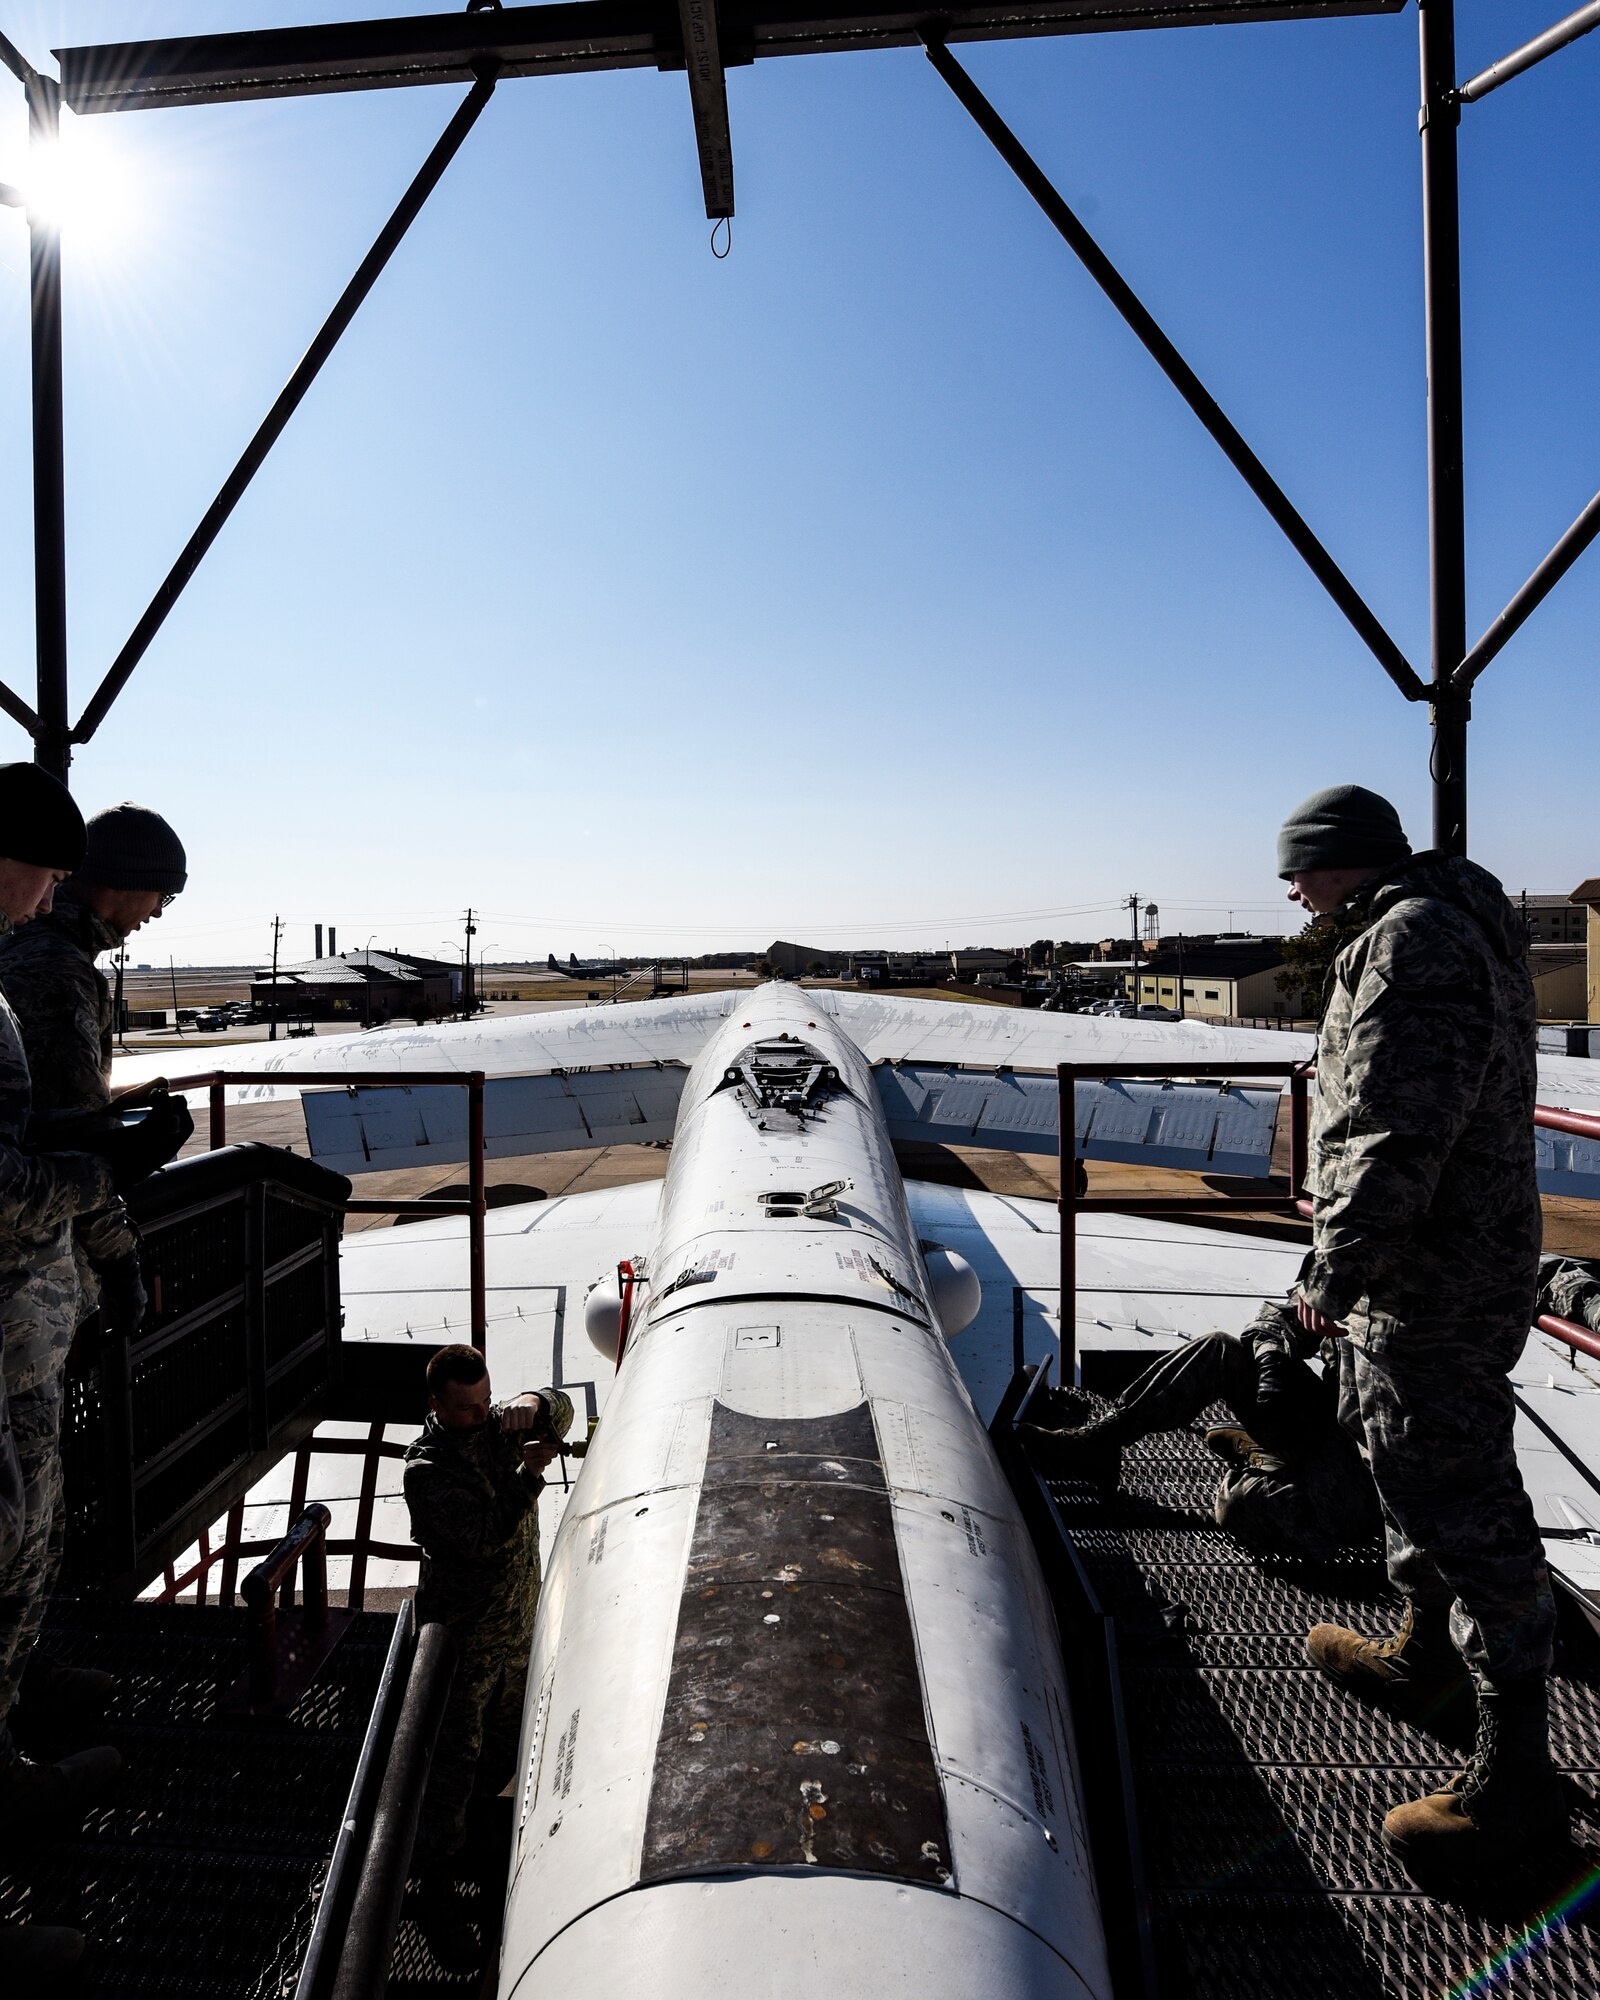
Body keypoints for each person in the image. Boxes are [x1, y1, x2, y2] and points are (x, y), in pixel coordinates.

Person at [1278, 783, 1558, 1869]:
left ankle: (1513, 1785)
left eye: (1296, 871)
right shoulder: (1435, 923)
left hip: (1429, 1281)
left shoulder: (1416, 940)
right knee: (1409, 1468)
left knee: (1466, 1506)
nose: (1292, 894)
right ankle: (1422, 1653)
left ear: (1341, 859)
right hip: (1435, 1266)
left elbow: (1396, 1128)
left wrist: (1337, 1267)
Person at [0, 765, 190, 1990]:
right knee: (16, 1530)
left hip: (30, 1300)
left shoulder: (36, 966)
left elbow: (45, 1128)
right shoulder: (45, 972)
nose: (152, 912)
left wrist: (96, 1147)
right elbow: (34, 1160)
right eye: (152, 893)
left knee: (26, 1528)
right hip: (22, 1295)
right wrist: (112, 1212)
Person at [403, 1345, 574, 1970]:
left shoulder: (498, 1425)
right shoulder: (426, 1470)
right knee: (450, 1775)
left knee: (500, 1757)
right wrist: (527, 1476)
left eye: (486, 1401)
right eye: (466, 1409)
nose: (481, 1415)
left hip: (515, 1635)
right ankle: (433, 1888)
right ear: (436, 1406)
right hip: (466, 1649)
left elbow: (562, 1410)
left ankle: (469, 1854)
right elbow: (481, 1540)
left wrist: (534, 1403)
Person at [1020, 1296, 1382, 1560]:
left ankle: (1268, 1461)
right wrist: (1271, 1354)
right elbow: (1286, 1311)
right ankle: (1102, 1440)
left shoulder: (1413, 1302)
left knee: (1240, 1508)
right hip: (1332, 1425)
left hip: (1376, 1476)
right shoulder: (1356, 1263)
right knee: (1220, 1349)